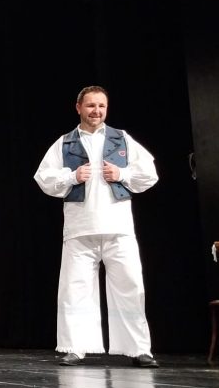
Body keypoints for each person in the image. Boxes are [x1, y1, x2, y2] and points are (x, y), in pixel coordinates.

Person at [33, 85, 160, 367]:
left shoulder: (121, 138)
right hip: (80, 226)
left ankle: (138, 348)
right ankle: (75, 346)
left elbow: (149, 173)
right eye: (91, 105)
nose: (96, 111)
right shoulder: (65, 142)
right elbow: (44, 178)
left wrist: (122, 173)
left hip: (118, 226)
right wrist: (71, 176)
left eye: (101, 106)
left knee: (130, 285)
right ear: (78, 107)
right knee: (75, 289)